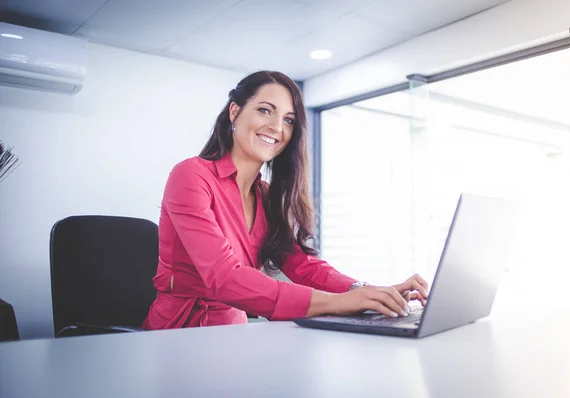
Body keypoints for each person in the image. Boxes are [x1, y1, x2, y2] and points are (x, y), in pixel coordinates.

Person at [142, 71, 429, 330]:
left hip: (234, 331)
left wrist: (369, 291)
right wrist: (340, 303)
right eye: (265, 111)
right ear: (234, 111)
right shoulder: (191, 175)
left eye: (288, 120)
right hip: (179, 331)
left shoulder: (265, 195)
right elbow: (224, 277)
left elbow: (303, 265)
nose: (277, 127)